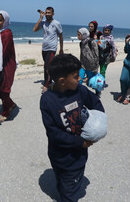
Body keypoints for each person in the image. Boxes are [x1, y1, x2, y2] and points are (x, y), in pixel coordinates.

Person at [40, 54, 104, 202]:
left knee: (70, 189)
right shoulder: (47, 100)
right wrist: (80, 142)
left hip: (77, 157)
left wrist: (97, 127)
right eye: (76, 76)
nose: (79, 79)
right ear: (62, 81)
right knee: (63, 182)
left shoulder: (80, 90)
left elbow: (96, 104)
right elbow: (53, 133)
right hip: (59, 153)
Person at [33, 7, 64, 93]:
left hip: (52, 48)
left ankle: (46, 86)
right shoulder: (43, 23)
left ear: (53, 14)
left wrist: (61, 49)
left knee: (47, 66)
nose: (47, 14)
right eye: (46, 12)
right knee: (46, 66)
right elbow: (34, 30)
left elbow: (61, 36)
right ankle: (50, 82)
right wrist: (40, 18)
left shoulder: (56, 23)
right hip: (44, 48)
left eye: (49, 13)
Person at [77, 28, 100, 96]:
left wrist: (96, 67)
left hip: (91, 66)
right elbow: (82, 54)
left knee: (92, 81)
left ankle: (97, 92)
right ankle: (77, 93)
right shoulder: (81, 43)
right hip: (83, 65)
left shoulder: (92, 42)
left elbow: (96, 54)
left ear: (84, 34)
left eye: (79, 35)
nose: (78, 36)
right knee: (79, 79)